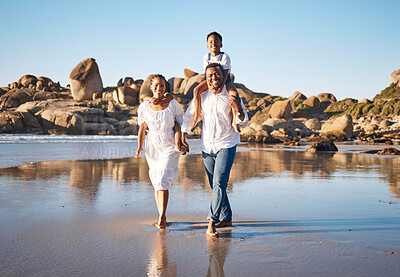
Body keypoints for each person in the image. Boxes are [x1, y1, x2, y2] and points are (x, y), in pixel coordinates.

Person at [181, 63, 248, 237]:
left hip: (226, 144)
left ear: (223, 76)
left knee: (219, 183)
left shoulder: (231, 94)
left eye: (217, 75)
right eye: (209, 76)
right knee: (214, 184)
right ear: (206, 78)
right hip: (207, 146)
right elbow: (190, 115)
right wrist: (183, 134)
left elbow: (243, 120)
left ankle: (211, 222)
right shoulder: (202, 96)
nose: (213, 78)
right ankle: (227, 217)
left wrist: (238, 108)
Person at [134, 74, 185, 229]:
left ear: (165, 87)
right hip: (152, 145)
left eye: (162, 85)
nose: (159, 88)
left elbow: (178, 125)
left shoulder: (173, 104)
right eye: (156, 85)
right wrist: (140, 147)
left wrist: (180, 143)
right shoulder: (144, 107)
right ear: (151, 87)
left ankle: (162, 217)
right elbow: (142, 127)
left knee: (163, 178)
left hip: (169, 144)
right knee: (157, 182)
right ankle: (161, 214)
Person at [191, 31, 240, 132]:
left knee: (234, 93)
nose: (214, 44)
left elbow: (225, 74)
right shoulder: (206, 57)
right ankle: (197, 115)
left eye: (216, 41)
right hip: (211, 80)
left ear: (221, 44)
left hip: (225, 80)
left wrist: (220, 88)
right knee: (196, 90)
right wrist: (210, 86)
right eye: (211, 42)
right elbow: (207, 75)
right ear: (207, 45)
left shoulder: (225, 57)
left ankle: (235, 120)